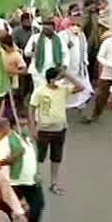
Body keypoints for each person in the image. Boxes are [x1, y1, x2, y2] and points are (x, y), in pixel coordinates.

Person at [28, 68, 84, 196]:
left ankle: (54, 183)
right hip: (44, 130)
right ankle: (34, 179)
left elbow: (81, 87)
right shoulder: (40, 91)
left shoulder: (63, 89)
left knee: (56, 158)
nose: (61, 80)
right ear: (52, 79)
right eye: (59, 77)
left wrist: (67, 74)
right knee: (39, 157)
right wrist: (33, 127)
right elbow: (31, 109)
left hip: (60, 130)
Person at [0, 119, 44, 222]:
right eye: (21, 124)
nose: (24, 127)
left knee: (37, 206)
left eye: (26, 124)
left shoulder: (29, 140)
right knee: (11, 212)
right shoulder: (7, 141)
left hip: (31, 181)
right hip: (15, 183)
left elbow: (32, 159)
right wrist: (17, 155)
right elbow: (2, 161)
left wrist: (37, 173)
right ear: (13, 126)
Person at [24, 18, 64, 90]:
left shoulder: (59, 39)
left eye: (49, 29)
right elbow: (26, 53)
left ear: (53, 29)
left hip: (53, 71)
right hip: (39, 71)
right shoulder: (35, 38)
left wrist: (64, 66)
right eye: (45, 28)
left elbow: (64, 53)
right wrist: (34, 52)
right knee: (40, 91)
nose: (47, 30)